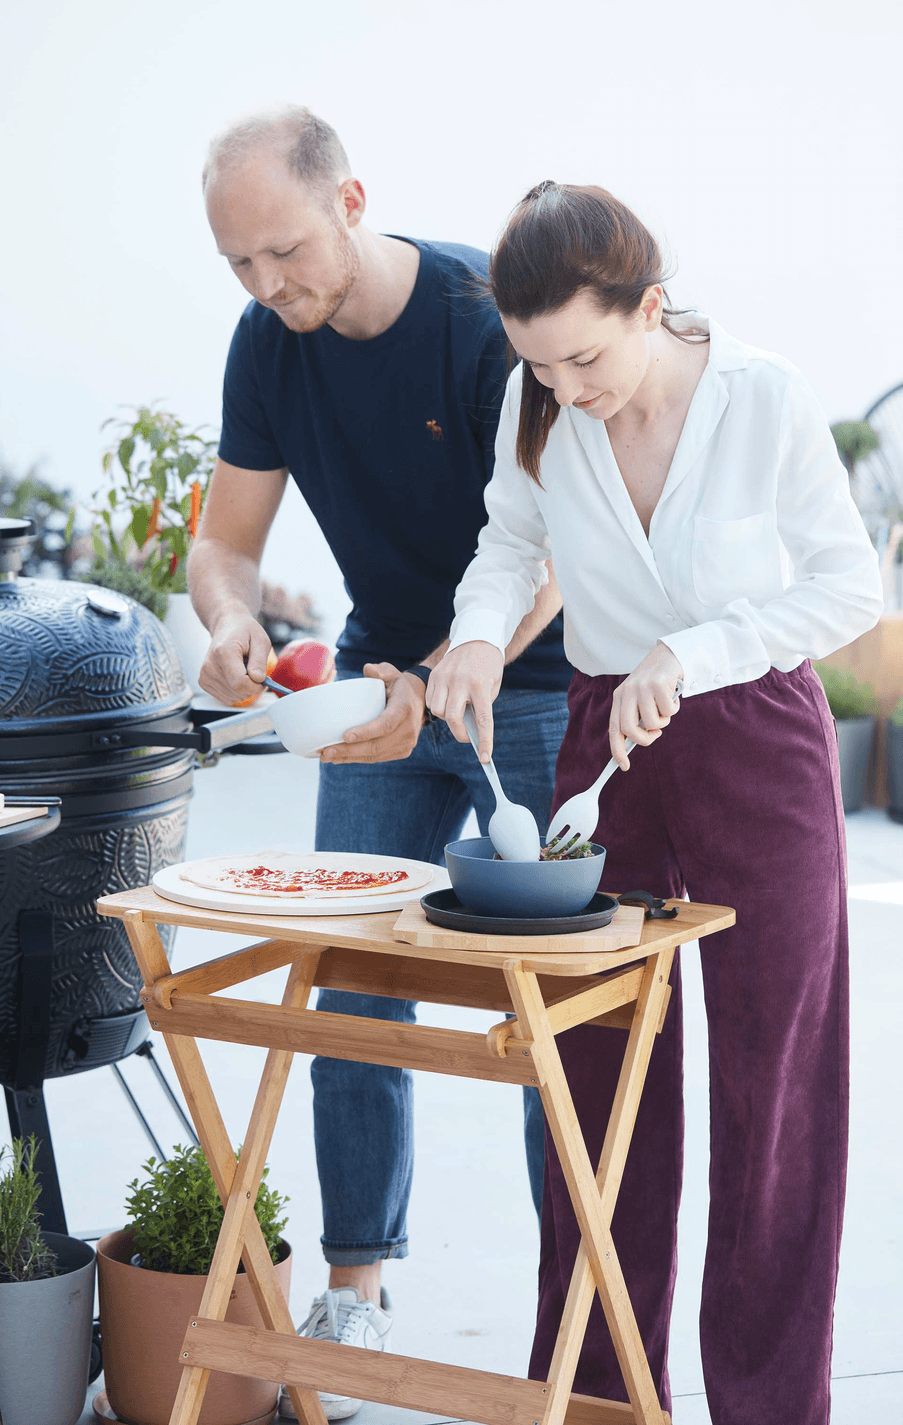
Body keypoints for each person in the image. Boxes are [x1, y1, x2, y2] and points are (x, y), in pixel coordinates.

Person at [427, 182, 883, 1424]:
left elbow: (846, 586)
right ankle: (592, 1397)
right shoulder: (541, 398)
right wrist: (473, 637)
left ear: (650, 306)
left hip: (753, 738)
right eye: (539, 366)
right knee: (597, 1082)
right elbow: (507, 545)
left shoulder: (762, 397)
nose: (565, 390)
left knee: (771, 1090)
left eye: (583, 356)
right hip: (599, 741)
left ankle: (766, 1405)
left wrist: (694, 654)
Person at [188, 109, 572, 1420]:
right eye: (238, 265)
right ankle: (356, 1286)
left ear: (351, 197)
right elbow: (222, 542)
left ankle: (568, 1310)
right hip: (375, 690)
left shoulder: (478, 316)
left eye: (283, 251)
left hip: (529, 683)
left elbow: (554, 547)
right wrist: (231, 620)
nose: (266, 286)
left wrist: (454, 668)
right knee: (347, 989)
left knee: (550, 1013)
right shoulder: (264, 346)